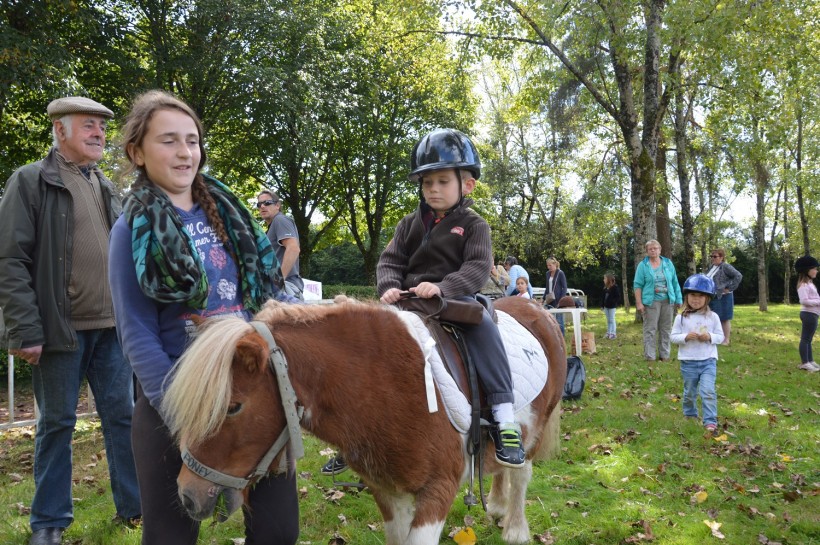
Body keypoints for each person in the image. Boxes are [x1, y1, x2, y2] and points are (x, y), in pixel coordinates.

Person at [108, 90, 299, 545]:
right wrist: (180, 410)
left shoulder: (229, 216)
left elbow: (261, 300)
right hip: (173, 402)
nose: (184, 152)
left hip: (251, 397)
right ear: (137, 152)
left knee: (277, 532)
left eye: (192, 141)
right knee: (172, 536)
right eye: (168, 140)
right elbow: (136, 333)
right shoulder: (129, 231)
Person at [0, 97, 141, 545]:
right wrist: (25, 330)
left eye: (102, 126)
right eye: (88, 126)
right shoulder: (31, 180)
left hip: (112, 328)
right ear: (60, 131)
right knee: (57, 423)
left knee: (123, 417)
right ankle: (49, 522)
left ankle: (135, 509)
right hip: (59, 331)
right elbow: (10, 260)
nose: (100, 133)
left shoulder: (104, 183)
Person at [379, 127, 525, 467]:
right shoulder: (407, 225)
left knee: (485, 331)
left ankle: (505, 419)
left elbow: (476, 267)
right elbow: (391, 261)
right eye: (427, 182)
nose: (433, 189)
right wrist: (388, 286)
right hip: (408, 300)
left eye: (443, 181)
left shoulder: (475, 226)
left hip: (456, 300)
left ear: (467, 184)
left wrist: (443, 287)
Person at [670, 274, 724, 433]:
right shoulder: (680, 318)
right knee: (689, 392)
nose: (696, 299)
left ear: (708, 298)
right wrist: (685, 337)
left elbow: (721, 337)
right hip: (688, 362)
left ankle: (710, 421)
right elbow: (673, 337)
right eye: (693, 295)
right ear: (687, 296)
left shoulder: (713, 317)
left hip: (708, 361)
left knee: (708, 390)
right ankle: (690, 414)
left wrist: (710, 337)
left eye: (701, 296)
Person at [634, 239, 683, 362]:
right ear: (647, 251)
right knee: (650, 329)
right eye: (650, 249)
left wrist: (679, 298)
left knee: (666, 329)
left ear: (660, 250)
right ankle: (650, 356)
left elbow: (675, 282)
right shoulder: (643, 265)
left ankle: (664, 355)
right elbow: (637, 285)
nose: (653, 250)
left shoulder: (668, 263)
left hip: (668, 301)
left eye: (655, 248)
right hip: (651, 302)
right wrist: (639, 303)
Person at [257, 189, 305, 300]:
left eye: (267, 203)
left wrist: (278, 283)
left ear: (277, 205)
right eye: (259, 204)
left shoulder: (280, 220)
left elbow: (293, 248)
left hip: (285, 289)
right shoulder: (270, 228)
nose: (262, 206)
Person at [704, 248, 742, 345]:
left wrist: (729, 288)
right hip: (712, 296)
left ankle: (726, 339)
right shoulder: (711, 267)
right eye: (711, 256)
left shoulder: (725, 267)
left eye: (715, 256)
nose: (713, 258)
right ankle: (714, 337)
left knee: (724, 318)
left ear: (721, 257)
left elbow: (738, 276)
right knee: (712, 317)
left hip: (724, 296)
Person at [794, 255, 820, 372]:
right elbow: (804, 301)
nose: (816, 271)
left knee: (808, 339)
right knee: (805, 339)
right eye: (814, 268)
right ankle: (805, 362)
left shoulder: (810, 284)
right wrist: (818, 302)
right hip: (808, 314)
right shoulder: (803, 286)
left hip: (813, 314)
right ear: (807, 270)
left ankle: (810, 360)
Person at [542, 257, 568, 335]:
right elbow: (547, 287)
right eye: (547, 265)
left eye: (550, 265)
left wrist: (561, 300)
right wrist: (543, 299)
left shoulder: (560, 273)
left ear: (555, 264)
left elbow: (564, 287)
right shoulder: (547, 274)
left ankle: (561, 336)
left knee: (559, 319)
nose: (548, 267)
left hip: (558, 298)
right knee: (551, 319)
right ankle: (555, 336)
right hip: (550, 298)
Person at [602, 272, 622, 339]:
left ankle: (613, 333)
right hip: (606, 307)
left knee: (612, 319)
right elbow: (603, 298)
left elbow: (618, 297)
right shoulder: (605, 288)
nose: (603, 280)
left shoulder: (615, 287)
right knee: (608, 320)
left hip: (612, 307)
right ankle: (609, 332)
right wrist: (602, 305)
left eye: (604, 278)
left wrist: (612, 302)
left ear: (608, 279)